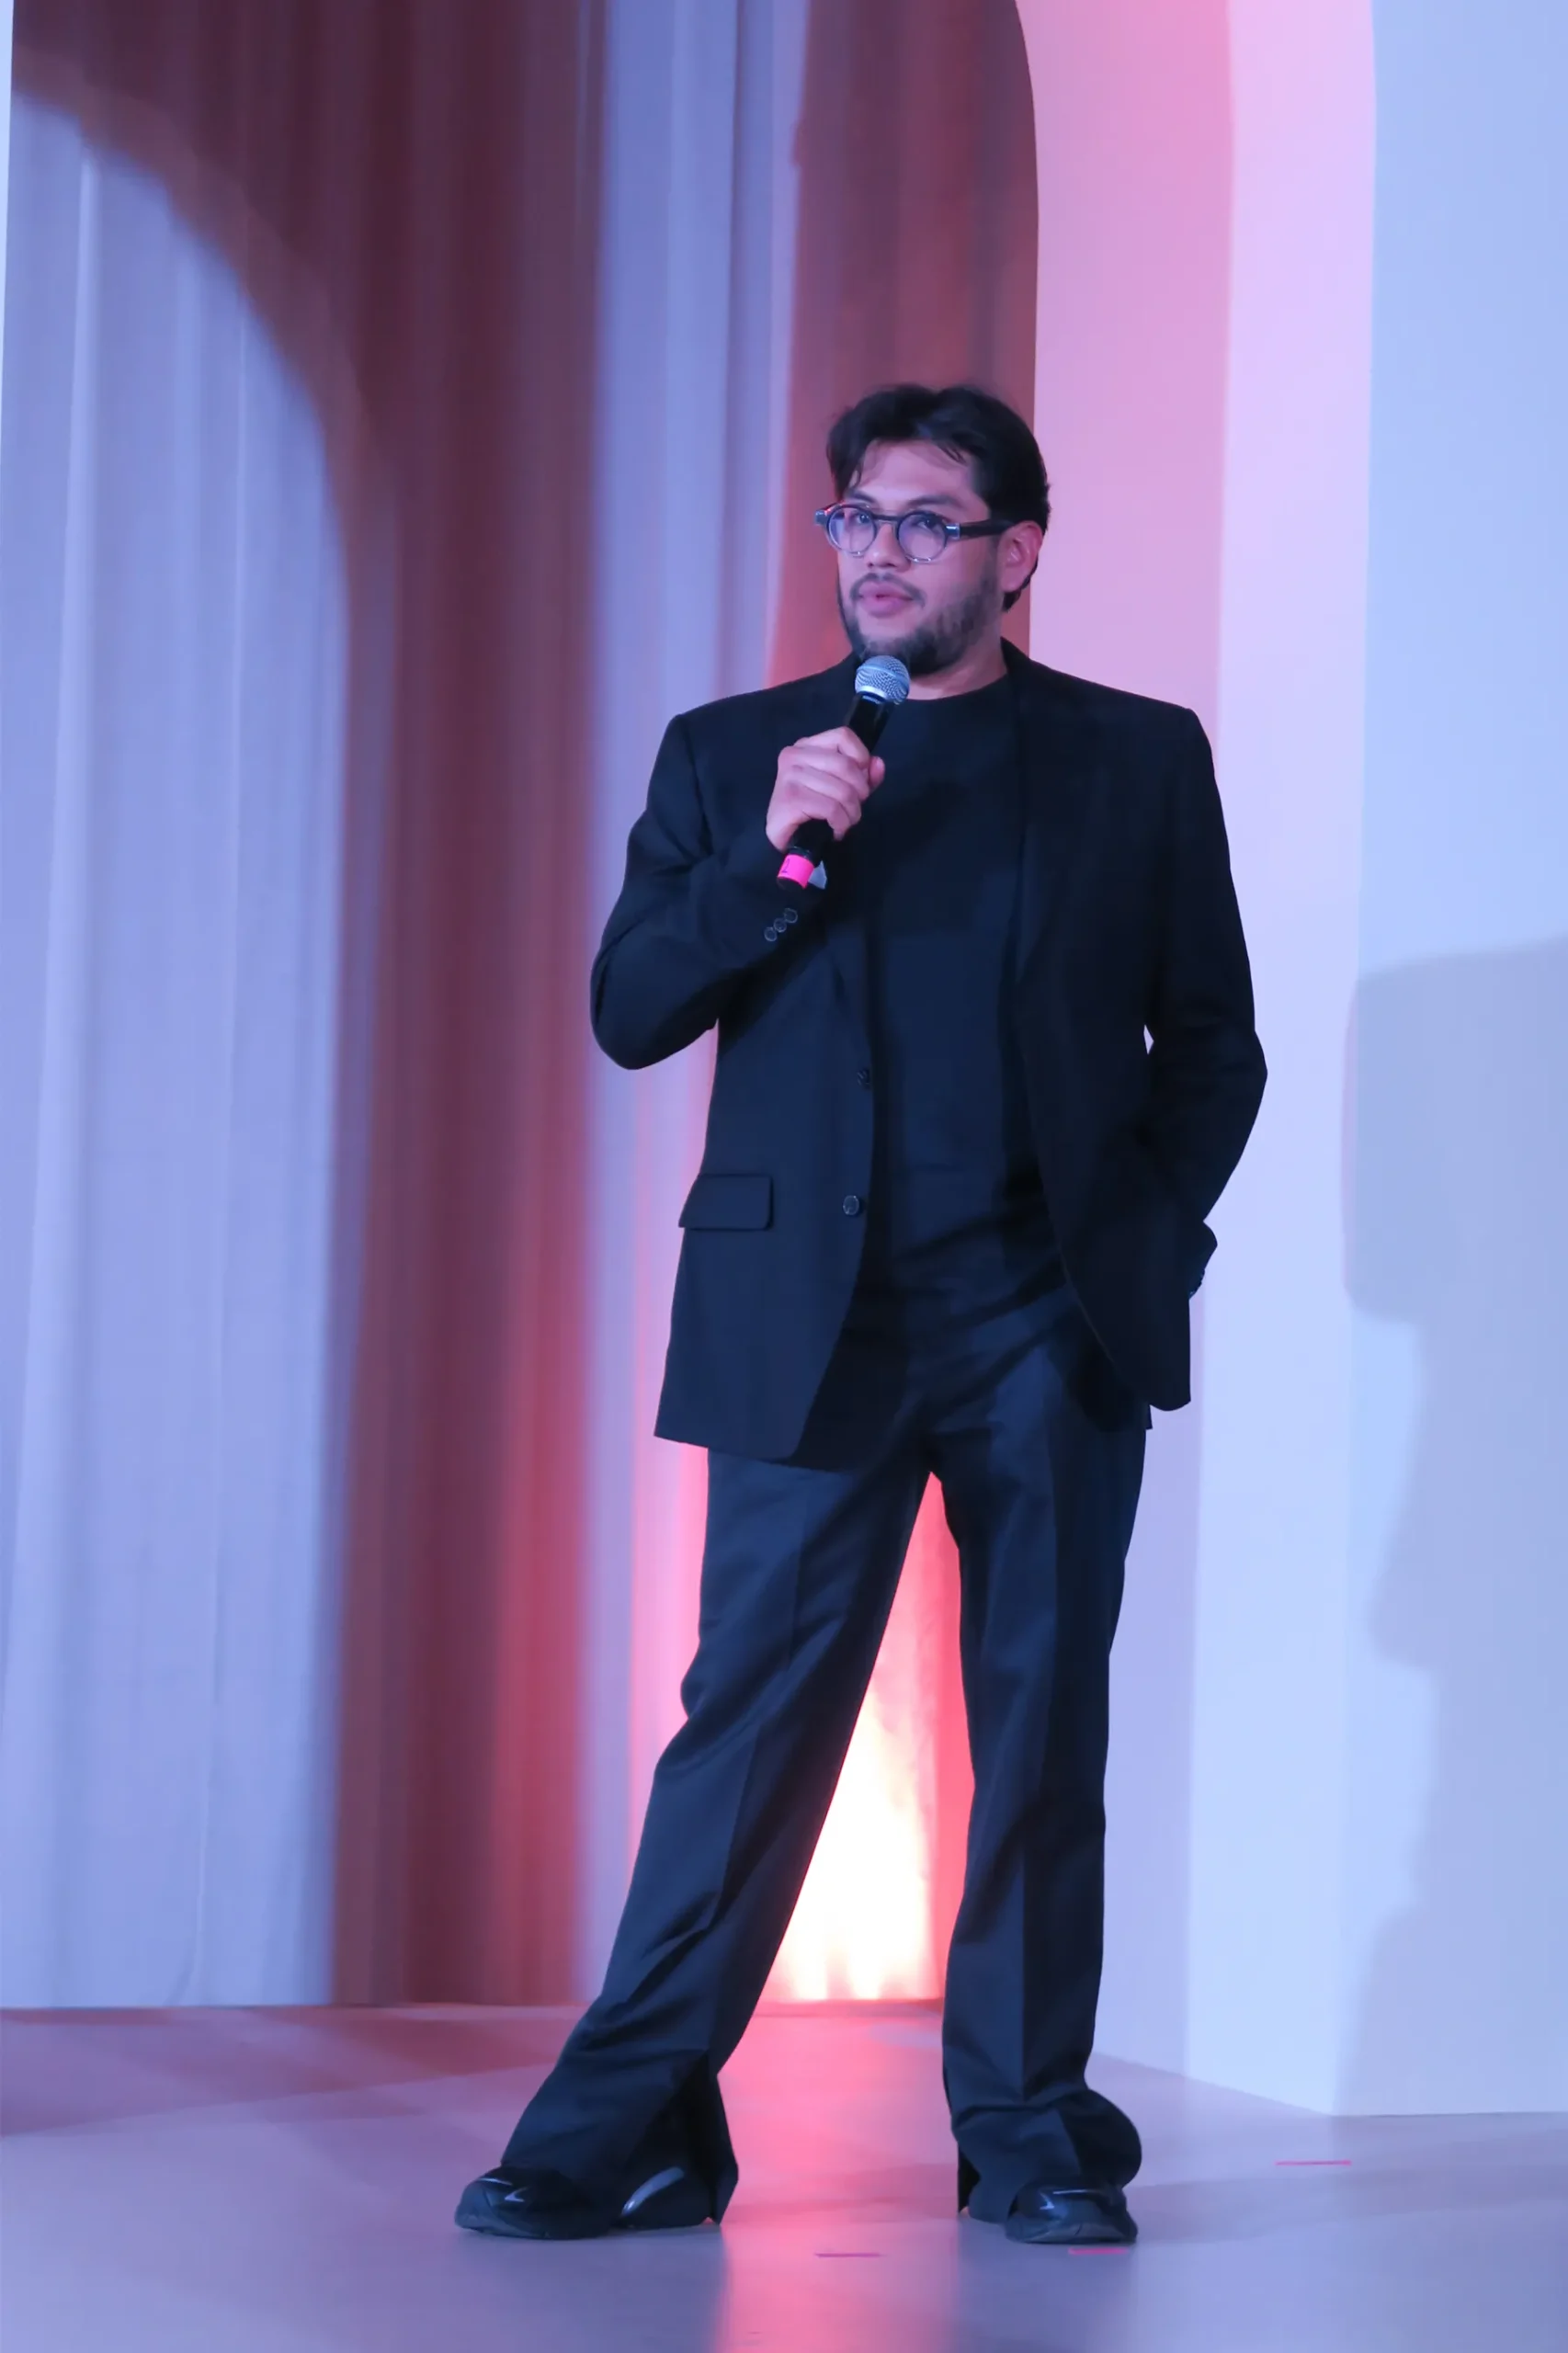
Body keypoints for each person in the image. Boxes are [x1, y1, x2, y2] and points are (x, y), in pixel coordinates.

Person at [457, 382, 1266, 2247]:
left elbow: (1213, 1041)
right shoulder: (737, 751)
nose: (879, 552)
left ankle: (1028, 2127)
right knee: (745, 1723)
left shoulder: (1134, 757)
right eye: (855, 518)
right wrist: (768, 853)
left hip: (1042, 1314)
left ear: (1016, 552)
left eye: (924, 519)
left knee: (1040, 1724)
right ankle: (628, 2119)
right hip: (807, 1315)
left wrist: (1141, 1241)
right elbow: (632, 1006)